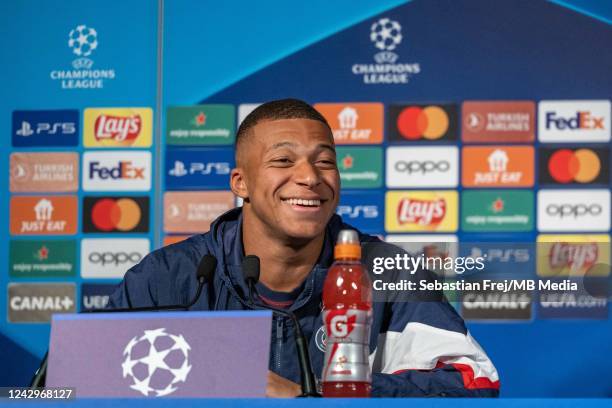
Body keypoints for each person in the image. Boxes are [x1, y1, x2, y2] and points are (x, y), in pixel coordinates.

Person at [108, 98, 500, 397]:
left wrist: (317, 396)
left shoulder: (390, 272)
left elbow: (474, 383)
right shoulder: (168, 277)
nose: (310, 177)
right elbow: (73, 383)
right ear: (240, 183)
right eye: (283, 160)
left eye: (324, 161)